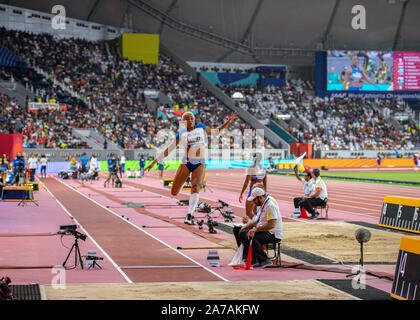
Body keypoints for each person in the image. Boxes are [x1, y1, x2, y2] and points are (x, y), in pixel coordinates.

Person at [146, 111, 237, 225]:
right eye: (187, 119)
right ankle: (185, 179)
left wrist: (228, 122)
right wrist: (154, 162)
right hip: (186, 162)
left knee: (195, 188)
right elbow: (169, 149)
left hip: (199, 163)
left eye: (192, 118)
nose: (190, 120)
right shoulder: (181, 134)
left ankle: (189, 214)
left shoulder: (201, 127)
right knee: (174, 192)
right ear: (183, 122)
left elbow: (215, 132)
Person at [237, 187, 283, 268]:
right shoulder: (264, 202)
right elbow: (258, 220)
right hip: (266, 230)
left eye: (254, 200)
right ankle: (252, 258)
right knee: (242, 233)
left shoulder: (270, 205)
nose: (254, 202)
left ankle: (264, 260)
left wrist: (255, 229)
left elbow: (271, 225)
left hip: (273, 234)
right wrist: (247, 226)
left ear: (260, 197)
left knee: (252, 236)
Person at [239, 153, 267, 220]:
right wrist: (265, 194)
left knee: (248, 212)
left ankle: (256, 224)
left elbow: (246, 182)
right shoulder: (264, 169)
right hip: (261, 192)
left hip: (253, 191)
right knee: (255, 211)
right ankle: (256, 224)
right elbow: (265, 183)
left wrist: (241, 193)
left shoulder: (251, 168)